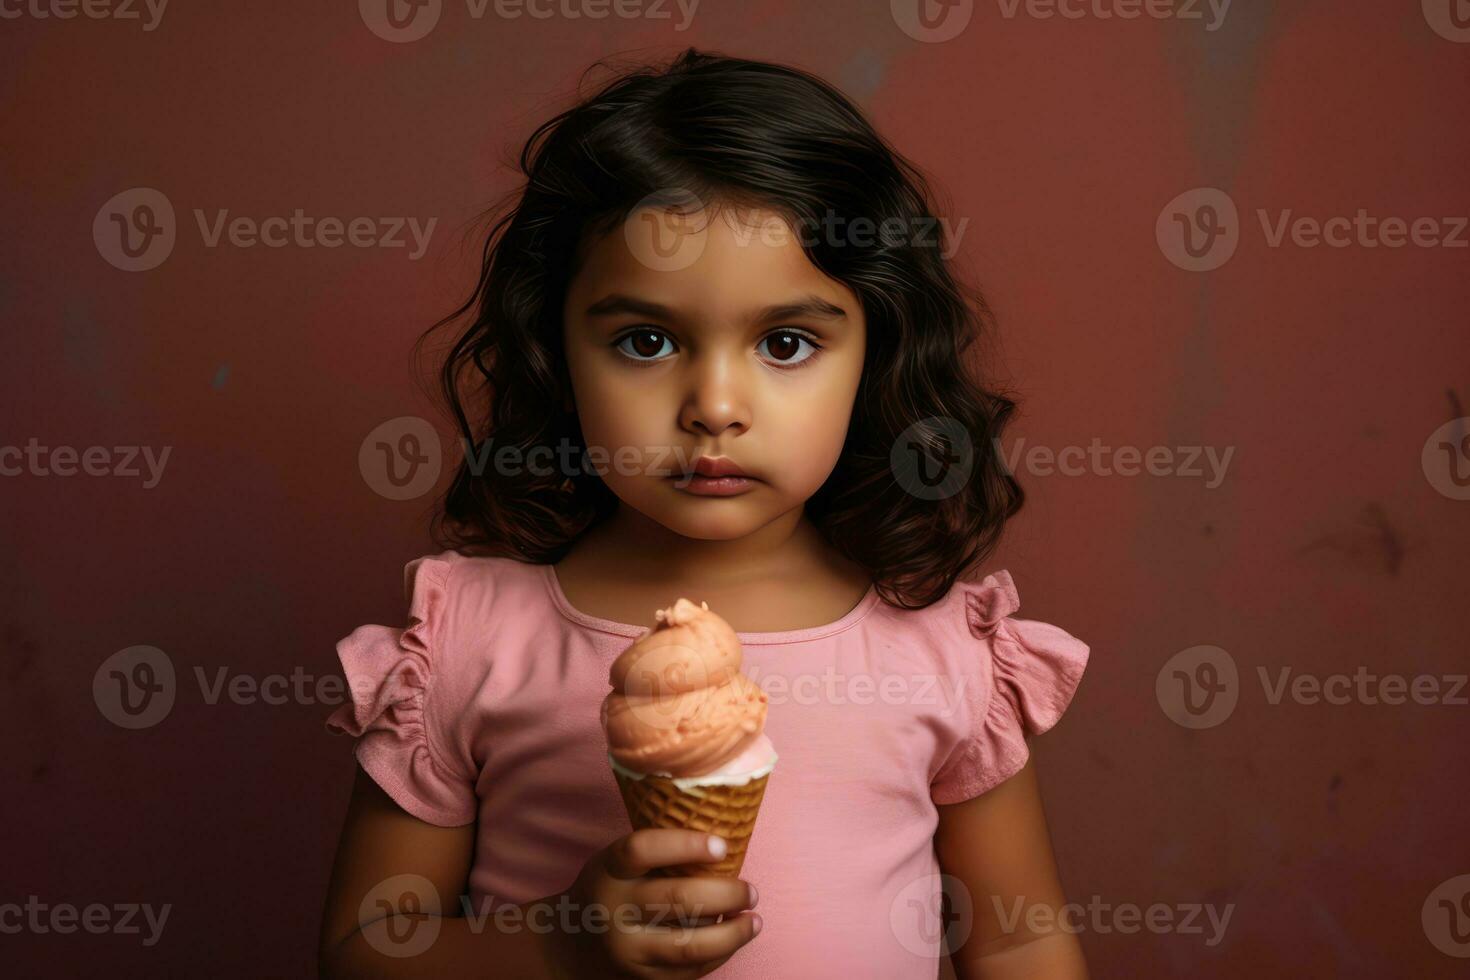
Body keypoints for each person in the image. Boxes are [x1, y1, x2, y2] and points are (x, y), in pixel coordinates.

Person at [319, 47, 1090, 979]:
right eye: (646, 341)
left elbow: (1018, 937)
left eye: (787, 341)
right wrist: (557, 943)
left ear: (874, 354)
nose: (714, 404)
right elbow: (362, 953)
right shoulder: (470, 638)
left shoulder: (944, 647)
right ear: (555, 351)